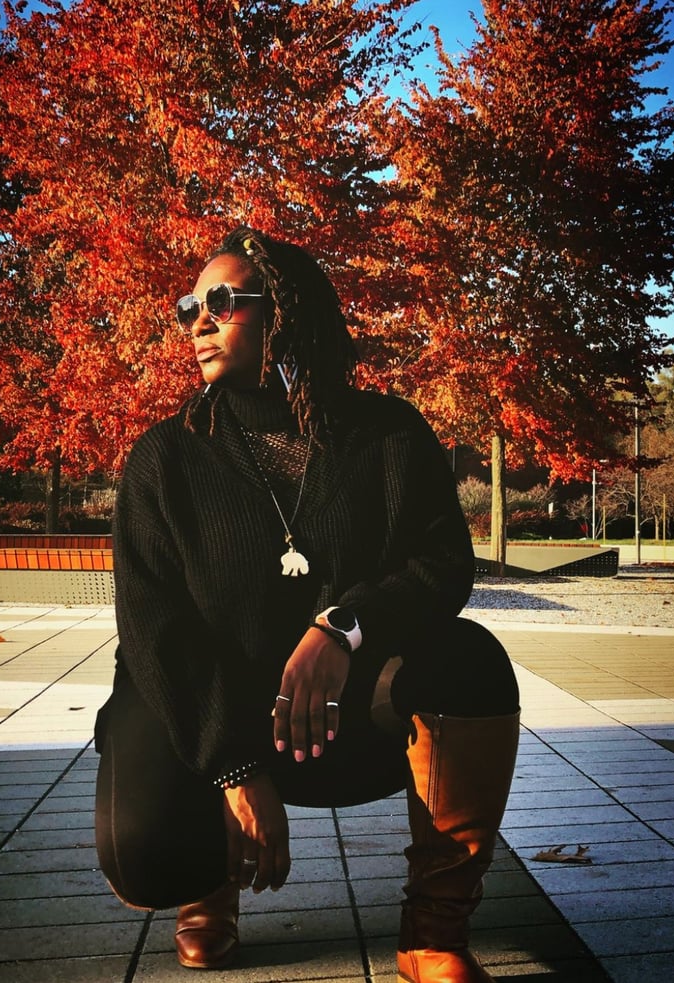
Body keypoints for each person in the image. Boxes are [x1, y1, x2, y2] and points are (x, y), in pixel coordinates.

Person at [94, 226, 520, 983]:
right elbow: (154, 628)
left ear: (283, 312)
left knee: (472, 662)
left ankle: (434, 932)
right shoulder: (165, 456)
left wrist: (344, 626)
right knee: (144, 851)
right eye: (190, 305)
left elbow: (443, 564)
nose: (198, 320)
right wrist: (233, 766)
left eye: (221, 301)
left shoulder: (387, 433)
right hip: (218, 715)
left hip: (340, 718)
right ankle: (206, 888)